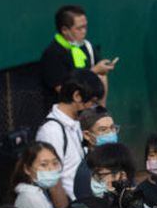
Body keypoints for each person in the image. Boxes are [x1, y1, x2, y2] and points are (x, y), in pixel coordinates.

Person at [36, 69, 106, 200]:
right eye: (92, 101)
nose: (93, 107)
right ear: (77, 96)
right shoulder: (51, 131)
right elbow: (53, 183)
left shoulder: (78, 123)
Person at [40, 4, 117, 100]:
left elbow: (101, 77)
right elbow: (64, 91)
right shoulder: (52, 53)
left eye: (85, 27)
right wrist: (93, 72)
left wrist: (101, 110)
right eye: (79, 28)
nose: (84, 31)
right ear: (65, 30)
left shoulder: (87, 46)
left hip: (90, 106)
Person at [10, 141, 70, 208]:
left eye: (55, 163)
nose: (51, 169)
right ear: (27, 169)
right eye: (44, 165)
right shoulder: (32, 198)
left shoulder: (43, 190)